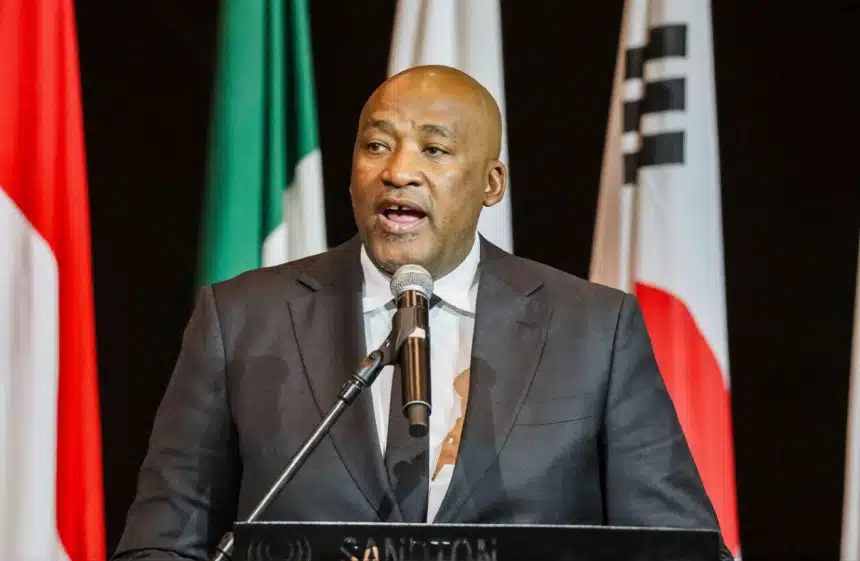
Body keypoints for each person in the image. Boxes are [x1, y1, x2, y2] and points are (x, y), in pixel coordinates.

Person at [113, 65, 731, 560]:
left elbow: (678, 548)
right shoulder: (242, 318)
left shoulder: (594, 329)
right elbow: (162, 542)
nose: (398, 171)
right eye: (376, 145)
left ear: (491, 184)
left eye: (434, 150)